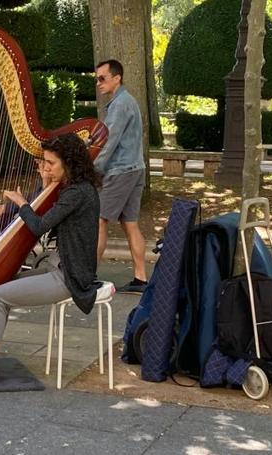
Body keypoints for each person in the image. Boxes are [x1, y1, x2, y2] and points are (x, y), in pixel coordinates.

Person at [0, 133, 102, 387]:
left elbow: (39, 225)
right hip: (57, 265)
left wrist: (22, 203)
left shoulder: (76, 194)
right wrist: (44, 182)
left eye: (51, 163)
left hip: (70, 276)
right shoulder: (75, 188)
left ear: (69, 163)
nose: (46, 167)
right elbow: (46, 211)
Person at [93, 59, 148, 294]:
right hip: (135, 169)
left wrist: (92, 169)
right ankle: (141, 279)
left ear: (117, 78)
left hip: (120, 171)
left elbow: (109, 142)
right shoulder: (126, 101)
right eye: (96, 79)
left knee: (100, 219)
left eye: (102, 78)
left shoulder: (119, 105)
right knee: (130, 224)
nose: (98, 83)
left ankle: (87, 275)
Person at [0, 159, 51, 255]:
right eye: (40, 163)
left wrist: (13, 204)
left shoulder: (51, 190)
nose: (39, 165)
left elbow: (29, 206)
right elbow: (28, 200)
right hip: (20, 219)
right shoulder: (42, 187)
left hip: (26, 224)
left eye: (44, 162)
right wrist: (8, 204)